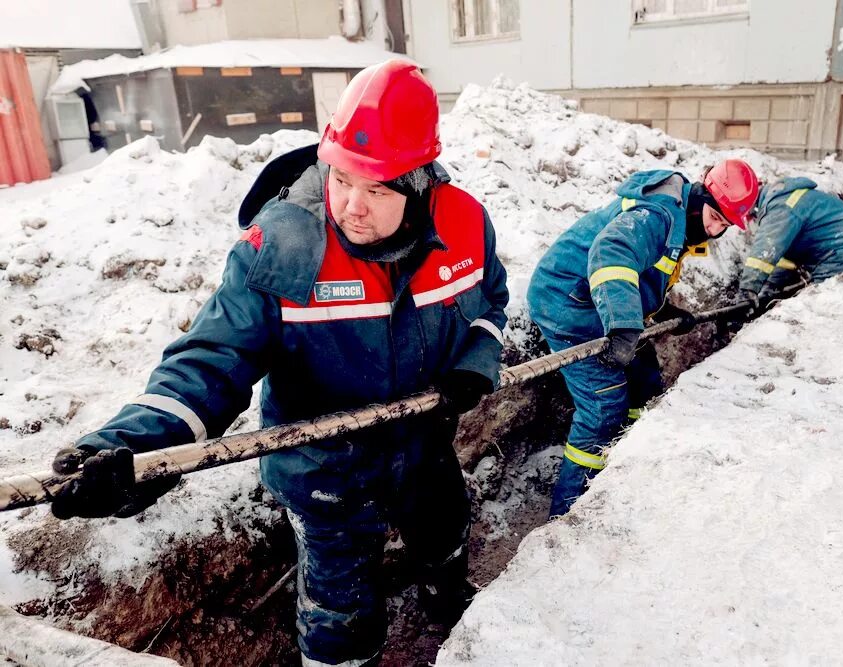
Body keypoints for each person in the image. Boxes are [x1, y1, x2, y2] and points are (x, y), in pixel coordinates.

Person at [48, 59, 509, 667]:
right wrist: (135, 446)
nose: (352, 206)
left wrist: (476, 357)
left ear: (421, 177)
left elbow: (491, 301)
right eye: (341, 178)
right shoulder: (282, 248)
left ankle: (445, 594)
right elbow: (213, 360)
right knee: (339, 611)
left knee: (445, 531)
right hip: (326, 467)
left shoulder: (465, 222)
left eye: (377, 189)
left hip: (424, 439)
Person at [526, 159, 759, 517]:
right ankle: (568, 512)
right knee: (604, 407)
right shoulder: (659, 216)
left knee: (644, 377)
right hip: (569, 305)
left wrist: (663, 312)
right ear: (701, 194)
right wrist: (622, 325)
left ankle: (629, 458)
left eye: (724, 226)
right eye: (714, 218)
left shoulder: (682, 213)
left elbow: (644, 271)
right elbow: (612, 254)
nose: (713, 231)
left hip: (596, 301)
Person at [739, 177, 843, 307]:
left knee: (820, 297)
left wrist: (747, 292)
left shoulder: (780, 207)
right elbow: (784, 259)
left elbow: (765, 251)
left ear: (753, 208)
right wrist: (770, 286)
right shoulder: (788, 199)